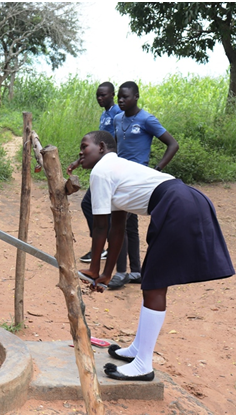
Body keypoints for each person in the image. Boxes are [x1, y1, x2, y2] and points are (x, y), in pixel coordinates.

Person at [77, 130, 233, 381]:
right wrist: (107, 274)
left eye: (85, 146)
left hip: (176, 204)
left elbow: (99, 227)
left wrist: (94, 270)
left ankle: (143, 365)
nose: (81, 153)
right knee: (152, 280)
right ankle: (138, 351)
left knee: (154, 285)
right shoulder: (116, 168)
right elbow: (117, 229)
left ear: (102, 148)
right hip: (185, 200)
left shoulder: (101, 171)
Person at [107, 81, 179, 288]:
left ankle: (121, 272)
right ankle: (136, 271)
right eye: (119, 97)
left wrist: (157, 169)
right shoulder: (118, 119)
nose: (121, 100)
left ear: (136, 97)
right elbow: (114, 146)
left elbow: (172, 144)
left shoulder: (146, 119)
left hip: (137, 180)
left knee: (117, 224)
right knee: (129, 225)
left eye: (126, 97)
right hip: (119, 177)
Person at [67, 82, 122, 265]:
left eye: (104, 95)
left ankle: (104, 249)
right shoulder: (104, 114)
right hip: (102, 165)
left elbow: (115, 143)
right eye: (98, 95)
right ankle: (102, 247)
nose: (100, 98)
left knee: (96, 206)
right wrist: (80, 160)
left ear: (112, 94)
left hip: (111, 168)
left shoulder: (117, 114)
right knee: (91, 205)